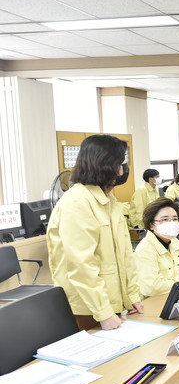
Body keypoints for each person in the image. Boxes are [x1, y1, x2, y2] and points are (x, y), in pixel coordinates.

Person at [47, 134, 143, 330]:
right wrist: (104, 311)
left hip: (110, 301)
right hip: (89, 307)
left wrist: (132, 295)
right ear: (106, 164)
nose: (123, 169)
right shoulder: (77, 202)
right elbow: (81, 264)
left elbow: (125, 254)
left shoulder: (108, 200)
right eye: (120, 163)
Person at [134, 197, 179, 298]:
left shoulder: (174, 241)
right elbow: (153, 288)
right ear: (151, 225)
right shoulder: (145, 249)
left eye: (175, 219)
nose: (171, 223)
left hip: (176, 295)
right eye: (165, 219)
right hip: (154, 302)